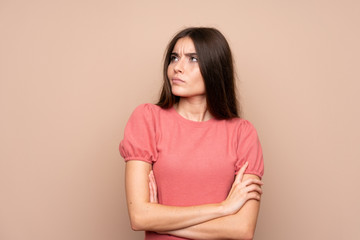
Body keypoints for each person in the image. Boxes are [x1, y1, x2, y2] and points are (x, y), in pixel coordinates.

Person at [120, 27, 264, 240]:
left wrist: (161, 220)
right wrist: (222, 208)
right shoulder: (148, 119)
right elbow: (140, 216)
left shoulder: (242, 133)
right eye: (174, 57)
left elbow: (242, 229)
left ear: (215, 68)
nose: (177, 67)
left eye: (193, 59)